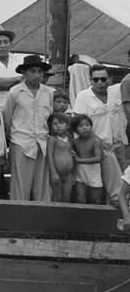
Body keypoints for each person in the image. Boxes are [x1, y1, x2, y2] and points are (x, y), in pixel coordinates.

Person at [2, 54, 54, 202]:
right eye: (32, 71)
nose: (37, 75)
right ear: (24, 73)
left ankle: (42, 217)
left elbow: (50, 117)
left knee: (42, 184)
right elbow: (8, 118)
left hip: (42, 142)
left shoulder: (49, 92)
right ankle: (18, 217)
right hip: (21, 142)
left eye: (39, 71)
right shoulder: (15, 91)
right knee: (20, 184)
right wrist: (12, 138)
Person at [73, 64, 125, 202]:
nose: (100, 83)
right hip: (97, 146)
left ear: (110, 79)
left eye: (103, 79)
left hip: (120, 144)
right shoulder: (83, 96)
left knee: (124, 177)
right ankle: (119, 202)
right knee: (112, 186)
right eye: (95, 79)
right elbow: (77, 123)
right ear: (90, 80)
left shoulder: (117, 91)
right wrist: (98, 142)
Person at [71, 113, 104, 204]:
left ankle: (97, 217)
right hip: (80, 171)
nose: (85, 128)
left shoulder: (95, 141)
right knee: (80, 198)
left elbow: (98, 158)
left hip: (93, 171)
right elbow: (73, 157)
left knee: (96, 199)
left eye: (87, 125)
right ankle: (81, 217)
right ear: (75, 130)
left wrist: (79, 160)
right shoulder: (75, 142)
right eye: (81, 126)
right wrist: (73, 173)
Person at [46, 111, 74, 203]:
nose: (58, 126)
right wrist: (53, 173)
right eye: (55, 123)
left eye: (61, 123)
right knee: (57, 197)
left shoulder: (70, 140)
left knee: (67, 198)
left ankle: (65, 217)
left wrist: (73, 174)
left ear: (68, 125)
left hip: (68, 174)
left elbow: (72, 156)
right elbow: (49, 155)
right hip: (57, 173)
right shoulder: (52, 139)